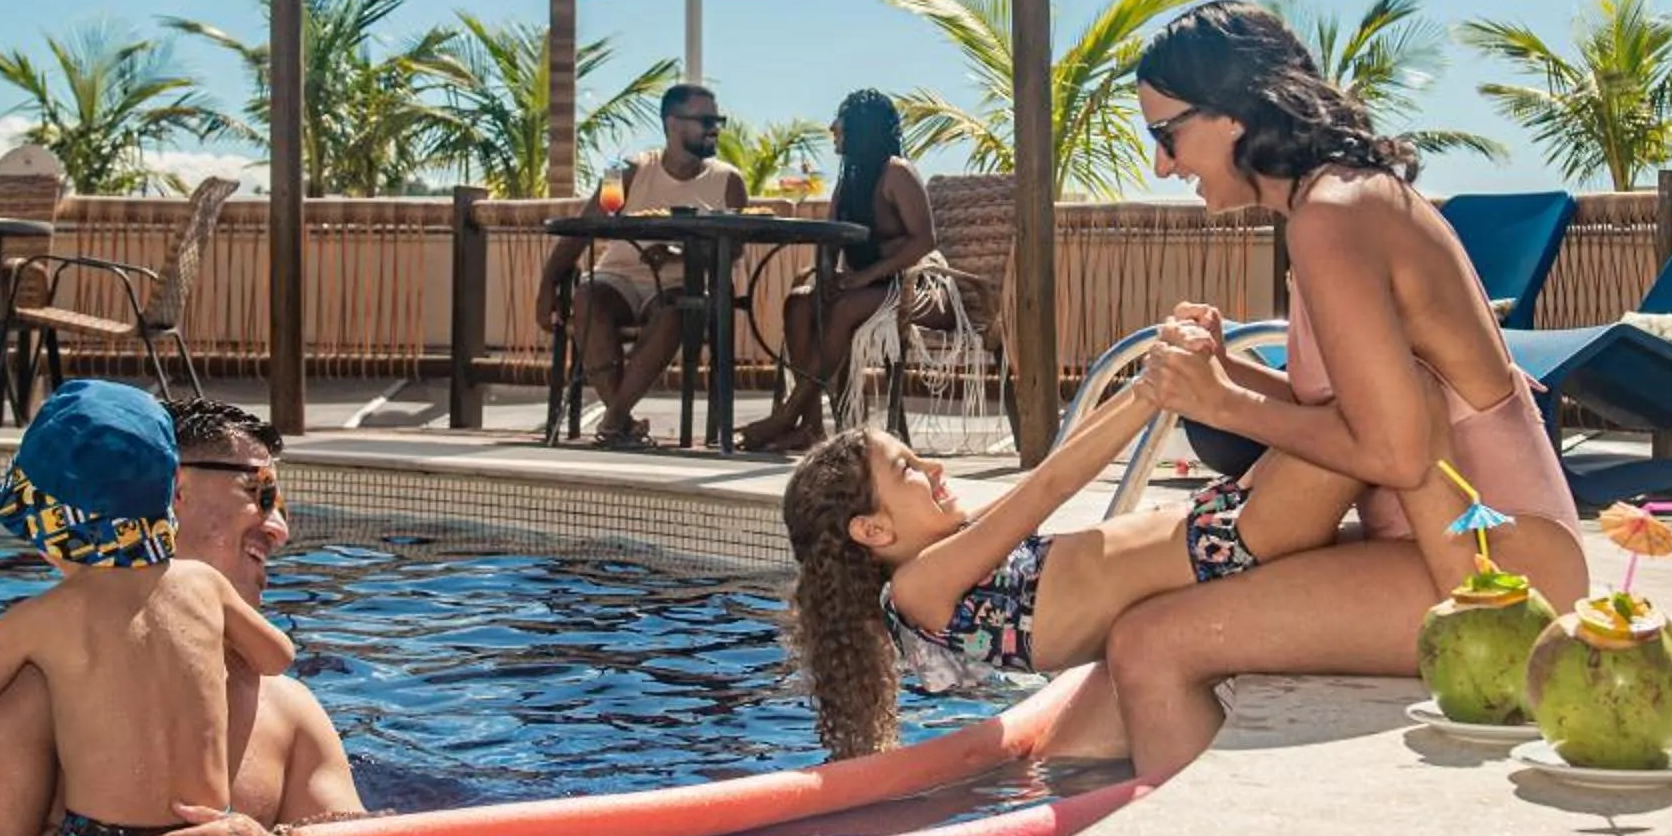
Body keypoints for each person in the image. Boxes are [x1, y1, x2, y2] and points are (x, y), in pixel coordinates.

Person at [1098, 0, 1589, 780]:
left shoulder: (1331, 216)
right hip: (1450, 543)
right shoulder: (1344, 199)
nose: (1162, 164)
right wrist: (1231, 371)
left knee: (1152, 642)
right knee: (1157, 606)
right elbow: (1362, 414)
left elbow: (1391, 449)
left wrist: (1221, 402)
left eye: (1166, 134)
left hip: (1500, 569)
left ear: (1231, 116)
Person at [778, 372, 1358, 759]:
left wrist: (1142, 387)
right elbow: (1052, 486)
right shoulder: (918, 588)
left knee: (1351, 407)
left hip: (1224, 524)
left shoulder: (951, 552)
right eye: (906, 468)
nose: (932, 466)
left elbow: (1048, 470)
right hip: (1232, 544)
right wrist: (1155, 394)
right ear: (873, 530)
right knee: (1365, 410)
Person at [0, 396, 367, 836]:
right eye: (262, 493)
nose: (279, 528)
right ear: (173, 490)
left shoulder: (288, 710)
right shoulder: (21, 685)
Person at [536, 81, 749, 449]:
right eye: (705, 119)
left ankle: (614, 421)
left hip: (681, 284)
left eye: (718, 119)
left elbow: (734, 251)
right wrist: (546, 287)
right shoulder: (626, 171)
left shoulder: (729, 182)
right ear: (672, 124)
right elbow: (584, 229)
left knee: (676, 309)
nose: (715, 127)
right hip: (618, 276)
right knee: (587, 299)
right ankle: (620, 420)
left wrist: (679, 255)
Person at [740, 88, 944, 454]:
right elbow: (830, 238)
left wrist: (866, 275)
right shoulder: (849, 178)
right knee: (800, 303)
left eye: (841, 121)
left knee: (845, 309)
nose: (833, 127)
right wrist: (826, 274)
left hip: (913, 284)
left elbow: (923, 241)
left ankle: (788, 414)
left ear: (861, 129)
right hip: (864, 284)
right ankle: (811, 426)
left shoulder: (897, 173)